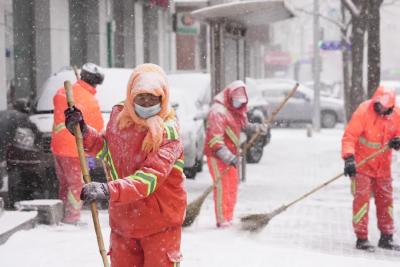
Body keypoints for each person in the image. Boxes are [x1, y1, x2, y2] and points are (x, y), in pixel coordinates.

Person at [65, 63, 186, 267]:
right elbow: (108, 150)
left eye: (152, 97)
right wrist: (83, 132)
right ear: (131, 95)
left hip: (160, 225)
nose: (146, 103)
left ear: (163, 98)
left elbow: (149, 178)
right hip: (124, 222)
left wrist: (107, 189)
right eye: (141, 96)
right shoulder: (121, 120)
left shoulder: (168, 134)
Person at [342, 86, 400, 251]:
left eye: (384, 106)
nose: (380, 108)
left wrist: (398, 140)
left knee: (386, 201)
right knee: (362, 202)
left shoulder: (396, 115)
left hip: (383, 167)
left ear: (390, 107)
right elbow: (350, 137)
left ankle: (387, 237)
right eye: (378, 104)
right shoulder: (363, 111)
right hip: (362, 165)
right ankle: (361, 238)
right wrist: (349, 158)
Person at [204, 80, 267, 228]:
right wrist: (228, 157)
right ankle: (222, 219)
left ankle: (229, 216)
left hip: (231, 154)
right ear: (229, 97)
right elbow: (215, 140)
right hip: (216, 155)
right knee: (221, 187)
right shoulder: (218, 112)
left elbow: (243, 125)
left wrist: (258, 128)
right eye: (236, 101)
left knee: (232, 185)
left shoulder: (236, 110)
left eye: (241, 102)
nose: (238, 104)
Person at [51, 63, 104, 224]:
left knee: (65, 184)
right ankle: (72, 217)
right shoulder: (90, 100)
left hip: (57, 147)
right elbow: (98, 129)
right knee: (76, 185)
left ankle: (62, 214)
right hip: (75, 150)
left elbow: (58, 103)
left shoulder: (64, 92)